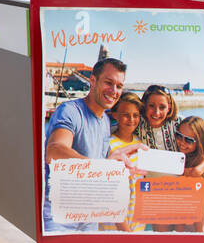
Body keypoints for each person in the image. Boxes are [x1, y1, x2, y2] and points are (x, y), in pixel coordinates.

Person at [43, 57, 138, 233]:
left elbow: (99, 169)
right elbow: (54, 152)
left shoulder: (104, 122)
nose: (114, 91)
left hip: (89, 218)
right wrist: (102, 167)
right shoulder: (70, 111)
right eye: (108, 83)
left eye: (119, 86)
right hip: (59, 218)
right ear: (93, 81)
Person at [105, 94, 147, 232]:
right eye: (126, 115)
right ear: (114, 115)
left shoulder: (140, 143)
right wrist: (124, 229)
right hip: (116, 226)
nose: (131, 120)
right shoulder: (109, 145)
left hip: (137, 222)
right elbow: (109, 193)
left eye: (136, 115)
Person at [174, 116, 204, 233]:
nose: (182, 143)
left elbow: (200, 228)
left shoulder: (200, 171)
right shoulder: (181, 154)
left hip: (196, 226)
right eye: (179, 136)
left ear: (200, 142)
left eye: (189, 140)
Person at [136, 85, 179, 151]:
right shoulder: (136, 124)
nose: (157, 112)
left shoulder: (179, 124)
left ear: (169, 108)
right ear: (145, 105)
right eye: (151, 106)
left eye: (162, 107)